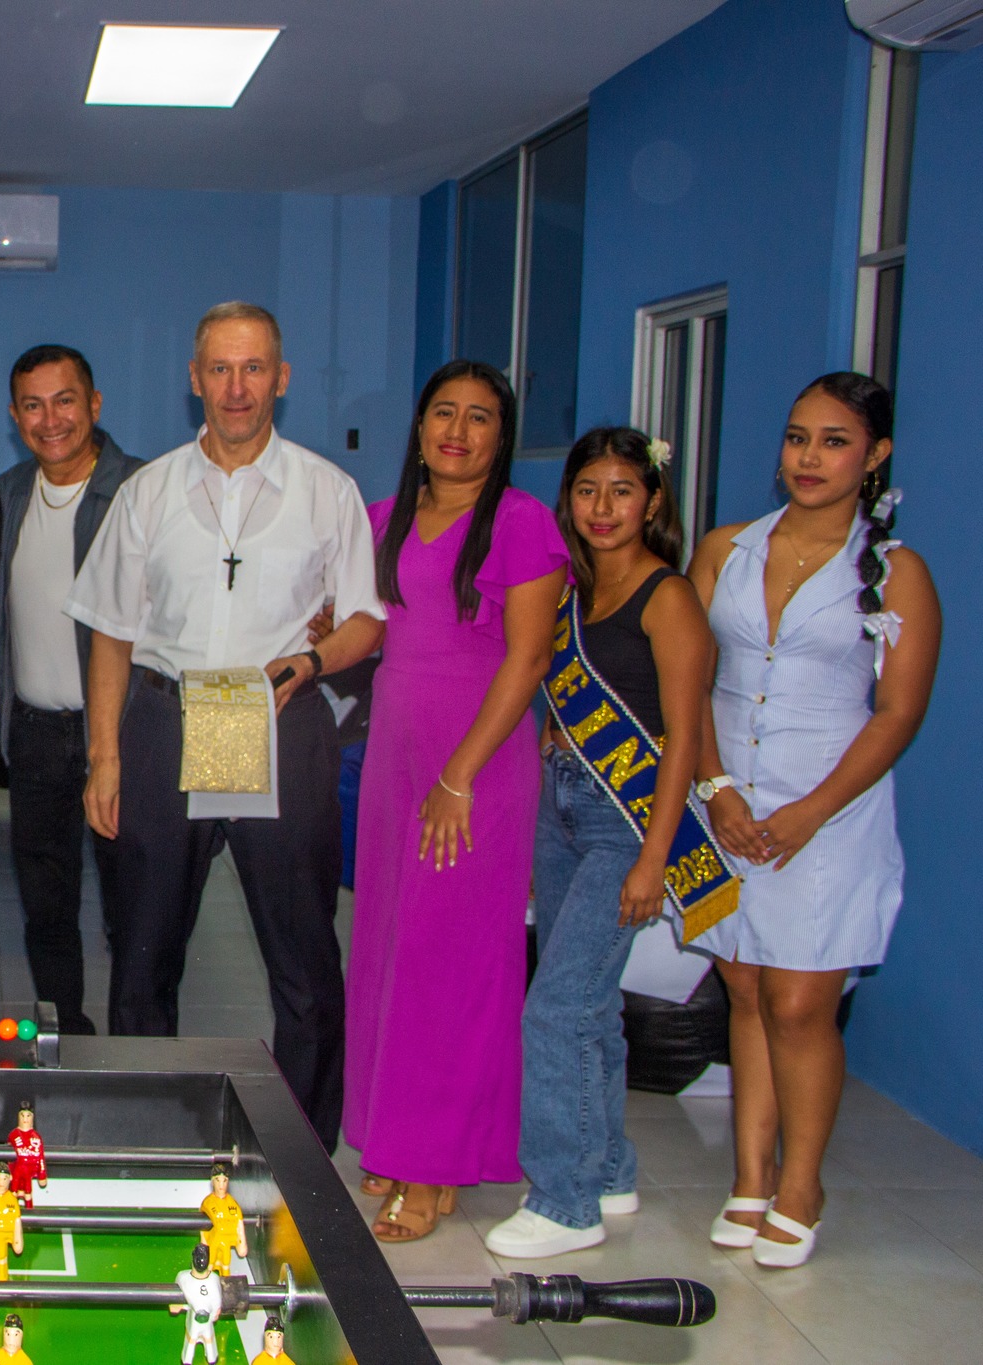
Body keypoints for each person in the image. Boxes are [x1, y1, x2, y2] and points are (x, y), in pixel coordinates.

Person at [69, 302, 384, 1142]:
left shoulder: (327, 491)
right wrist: (105, 757)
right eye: (220, 368)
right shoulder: (148, 491)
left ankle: (303, 1146)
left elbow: (365, 619)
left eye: (253, 368)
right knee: (143, 954)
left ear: (281, 378)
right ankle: (142, 1135)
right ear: (194, 379)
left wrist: (312, 660)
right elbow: (111, 631)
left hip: (277, 721)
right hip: (166, 721)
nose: (236, 387)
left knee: (304, 957)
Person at [687, 373, 938, 1268]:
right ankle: (750, 1178)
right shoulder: (726, 549)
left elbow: (897, 714)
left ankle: (802, 1185)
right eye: (798, 437)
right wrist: (715, 784)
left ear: (875, 456)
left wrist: (810, 811)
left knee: (798, 1003)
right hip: (725, 801)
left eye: (834, 441)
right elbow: (689, 677)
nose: (809, 457)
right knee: (745, 989)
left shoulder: (897, 572)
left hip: (828, 812)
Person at [340, 361, 569, 1242]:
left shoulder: (521, 522)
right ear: (420, 424)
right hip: (394, 761)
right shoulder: (382, 518)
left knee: (451, 963)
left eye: (480, 417)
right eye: (445, 412)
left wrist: (459, 774)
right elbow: (373, 628)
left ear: (501, 437)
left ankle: (434, 1165)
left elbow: (529, 658)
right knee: (389, 948)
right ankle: (395, 1137)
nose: (458, 432)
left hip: (474, 769)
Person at [482, 428, 714, 1259]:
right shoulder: (572, 591)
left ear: (652, 501)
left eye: (622, 490)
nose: (603, 507)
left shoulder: (669, 596)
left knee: (560, 1004)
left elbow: (684, 737)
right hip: (562, 809)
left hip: (629, 821)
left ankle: (566, 1199)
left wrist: (654, 857)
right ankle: (609, 1167)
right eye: (587, 490)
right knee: (593, 1003)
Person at [0, 345, 141, 1036]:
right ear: (15, 415)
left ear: (95, 403)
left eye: (65, 400)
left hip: (120, 737)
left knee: (132, 912)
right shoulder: (7, 493)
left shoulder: (142, 491)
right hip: (35, 737)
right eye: (33, 405)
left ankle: (135, 1053)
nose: (50, 419)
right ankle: (66, 1044)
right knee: (46, 910)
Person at [170, 1243, 223, 1364]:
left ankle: (209, 1358)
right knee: (192, 1339)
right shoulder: (185, 1278)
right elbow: (216, 1306)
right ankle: (190, 1360)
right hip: (197, 1318)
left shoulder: (183, 1277)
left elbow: (217, 1305)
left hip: (204, 1319)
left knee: (206, 1340)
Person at [201, 1165, 247, 1273]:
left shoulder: (232, 1204)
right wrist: (204, 1244)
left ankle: (225, 1277)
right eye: (218, 1180)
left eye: (224, 1181)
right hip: (213, 1242)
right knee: (210, 1263)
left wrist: (242, 1243)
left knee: (226, 1262)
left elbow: (239, 1224)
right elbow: (203, 1230)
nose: (221, 1185)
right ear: (213, 1182)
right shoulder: (208, 1203)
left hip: (226, 1242)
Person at [6, 1099, 47, 1206]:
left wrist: (42, 1174)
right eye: (22, 1115)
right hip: (16, 1173)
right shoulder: (13, 1135)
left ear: (32, 1117)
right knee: (14, 1193)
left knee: (28, 1193)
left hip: (28, 1173)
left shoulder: (36, 1138)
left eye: (28, 1116)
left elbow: (40, 1158)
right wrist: (9, 1172)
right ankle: (12, 1210)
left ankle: (29, 1212)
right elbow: (9, 1158)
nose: (25, 1119)